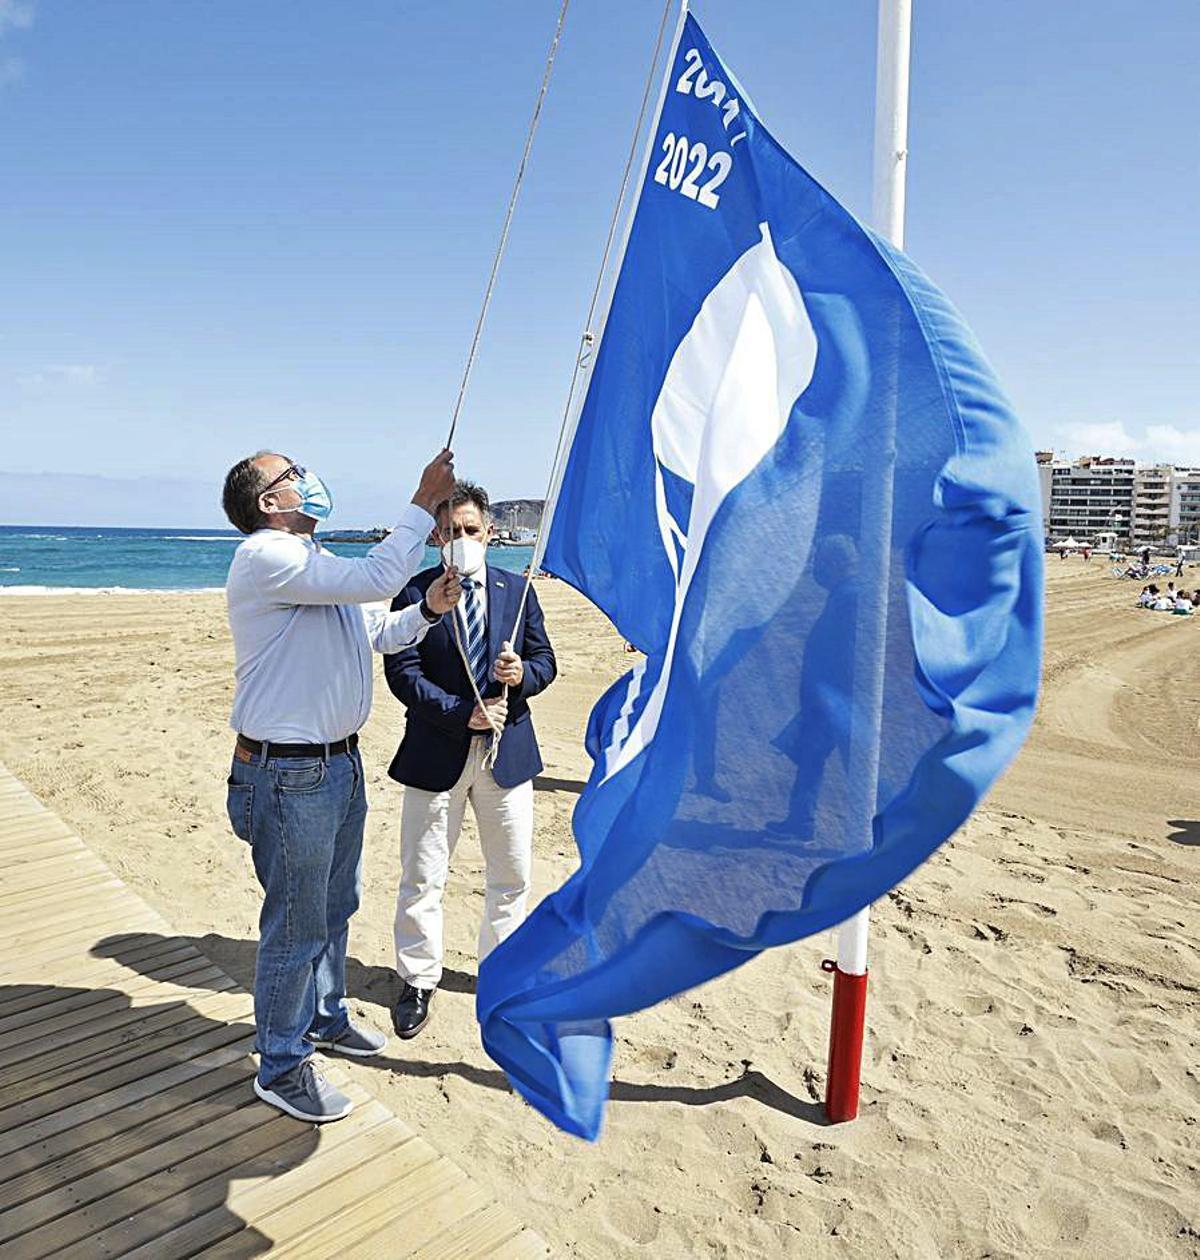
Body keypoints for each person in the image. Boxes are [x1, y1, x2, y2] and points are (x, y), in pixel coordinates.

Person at [222, 448, 460, 1123]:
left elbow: (379, 631)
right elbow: (384, 572)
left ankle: (324, 1018)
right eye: (289, 471)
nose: (306, 475)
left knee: (335, 905)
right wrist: (422, 498)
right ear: (269, 503)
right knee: (295, 926)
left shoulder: (316, 567)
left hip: (335, 765)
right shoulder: (268, 557)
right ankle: (281, 1063)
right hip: (288, 771)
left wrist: (430, 612)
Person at [384, 480, 557, 1039]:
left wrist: (521, 678)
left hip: (506, 756)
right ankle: (417, 978)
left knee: (510, 876)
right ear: (437, 535)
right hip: (436, 753)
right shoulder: (414, 594)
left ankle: (501, 974)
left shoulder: (517, 589)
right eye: (452, 531)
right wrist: (463, 713)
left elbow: (545, 661)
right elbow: (402, 673)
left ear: (488, 532)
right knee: (423, 874)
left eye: (471, 530)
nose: (462, 539)